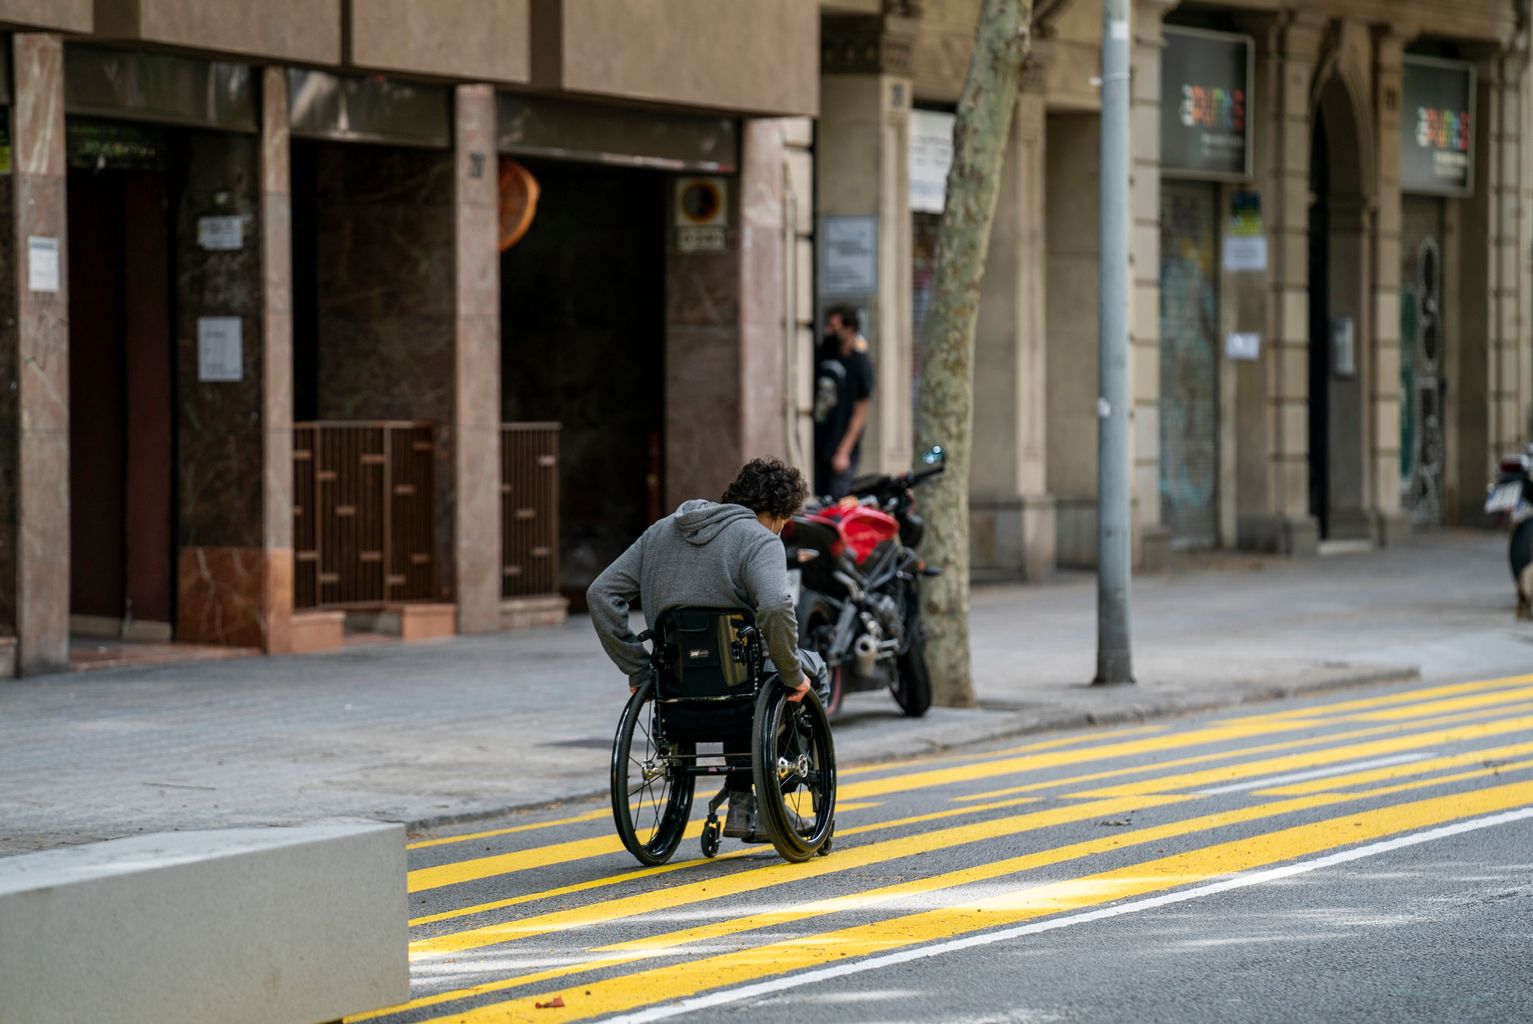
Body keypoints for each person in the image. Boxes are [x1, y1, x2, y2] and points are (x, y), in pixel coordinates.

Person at [587, 457, 817, 840]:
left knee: (744, 674)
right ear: (776, 514)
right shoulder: (760, 541)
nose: (781, 529)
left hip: (675, 682)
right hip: (744, 682)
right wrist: (794, 675)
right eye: (784, 521)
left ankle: (745, 801)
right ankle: (775, 790)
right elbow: (776, 609)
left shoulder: (659, 533)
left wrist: (638, 668)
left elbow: (601, 594)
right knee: (809, 673)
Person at [813, 306, 875, 499]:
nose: (829, 331)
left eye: (835, 326)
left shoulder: (860, 364)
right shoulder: (821, 355)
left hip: (840, 443)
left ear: (850, 329)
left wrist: (844, 451)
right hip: (818, 441)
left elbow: (860, 412)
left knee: (838, 497)